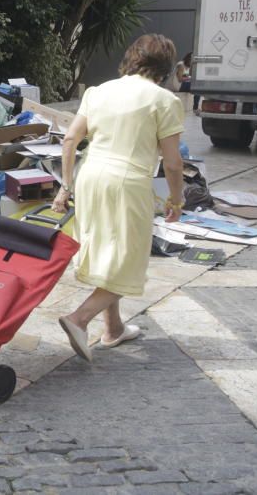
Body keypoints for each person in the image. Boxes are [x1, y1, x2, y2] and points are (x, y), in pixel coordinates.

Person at [51, 34, 185, 361]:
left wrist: (65, 186)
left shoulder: (99, 91)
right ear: (165, 68)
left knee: (109, 253)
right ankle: (79, 319)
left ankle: (113, 329)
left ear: (132, 58)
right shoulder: (165, 101)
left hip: (90, 177)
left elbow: (70, 140)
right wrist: (177, 200)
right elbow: (172, 163)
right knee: (129, 261)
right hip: (128, 181)